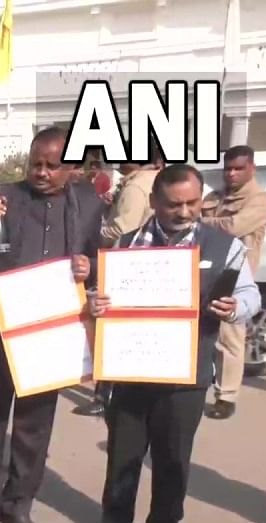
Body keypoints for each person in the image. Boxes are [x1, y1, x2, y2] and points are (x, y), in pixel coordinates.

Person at [79, 164, 261, 523]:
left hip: (186, 373)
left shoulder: (225, 247)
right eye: (174, 204)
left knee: (173, 455)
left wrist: (235, 309)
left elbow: (251, 296)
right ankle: (114, 520)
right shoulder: (124, 247)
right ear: (154, 202)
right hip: (130, 370)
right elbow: (99, 296)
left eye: (192, 202)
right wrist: (96, 304)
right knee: (124, 450)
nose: (184, 212)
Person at [0, 126, 102, 523]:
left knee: (33, 427)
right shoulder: (4, 198)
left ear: (72, 168)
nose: (41, 172)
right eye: (35, 164)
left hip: (51, 335)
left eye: (51, 166)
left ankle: (18, 504)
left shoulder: (91, 204)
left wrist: (88, 267)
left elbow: (98, 257)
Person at [78, 151, 165, 417]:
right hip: (145, 265)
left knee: (111, 328)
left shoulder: (137, 185)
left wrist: (95, 234)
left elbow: (123, 228)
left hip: (124, 264)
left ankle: (105, 396)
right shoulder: (153, 180)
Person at [202, 145, 266, 420]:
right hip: (205, 269)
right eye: (228, 168)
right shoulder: (215, 196)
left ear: (251, 169)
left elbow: (234, 228)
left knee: (229, 337)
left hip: (235, 274)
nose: (231, 174)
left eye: (238, 168)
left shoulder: (259, 199)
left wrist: (203, 220)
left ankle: (226, 396)